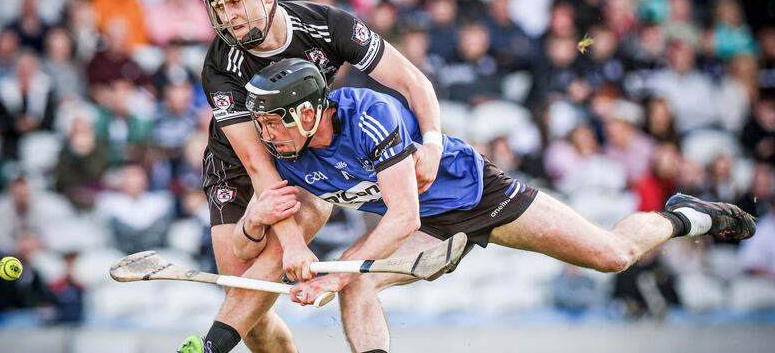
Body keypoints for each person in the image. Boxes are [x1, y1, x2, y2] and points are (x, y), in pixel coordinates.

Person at [245, 58, 756, 353]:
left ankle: (686, 215)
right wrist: (275, 238)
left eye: (273, 121)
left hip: (478, 196)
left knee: (613, 255)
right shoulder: (287, 155)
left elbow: (403, 215)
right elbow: (268, 226)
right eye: (260, 123)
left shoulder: (368, 116)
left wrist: (331, 277)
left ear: (308, 112)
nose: (265, 133)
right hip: (428, 226)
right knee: (360, 280)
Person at [179, 0, 444, 353]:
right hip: (235, 164)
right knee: (248, 307)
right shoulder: (220, 64)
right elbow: (256, 165)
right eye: (219, 7)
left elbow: (413, 81)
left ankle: (210, 348)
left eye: (235, 2)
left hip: (302, 156)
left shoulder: (327, 26)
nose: (228, 16)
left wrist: (433, 142)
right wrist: (292, 245)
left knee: (263, 271)